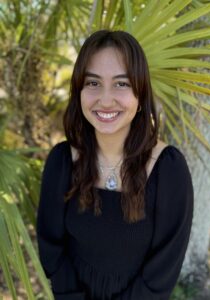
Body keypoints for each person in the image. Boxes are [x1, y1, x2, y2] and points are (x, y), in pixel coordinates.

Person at [36, 30, 194, 300]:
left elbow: (162, 273)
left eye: (121, 84)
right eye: (93, 83)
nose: (105, 99)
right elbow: (52, 249)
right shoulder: (62, 162)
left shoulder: (168, 170)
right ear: (79, 91)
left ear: (140, 94)